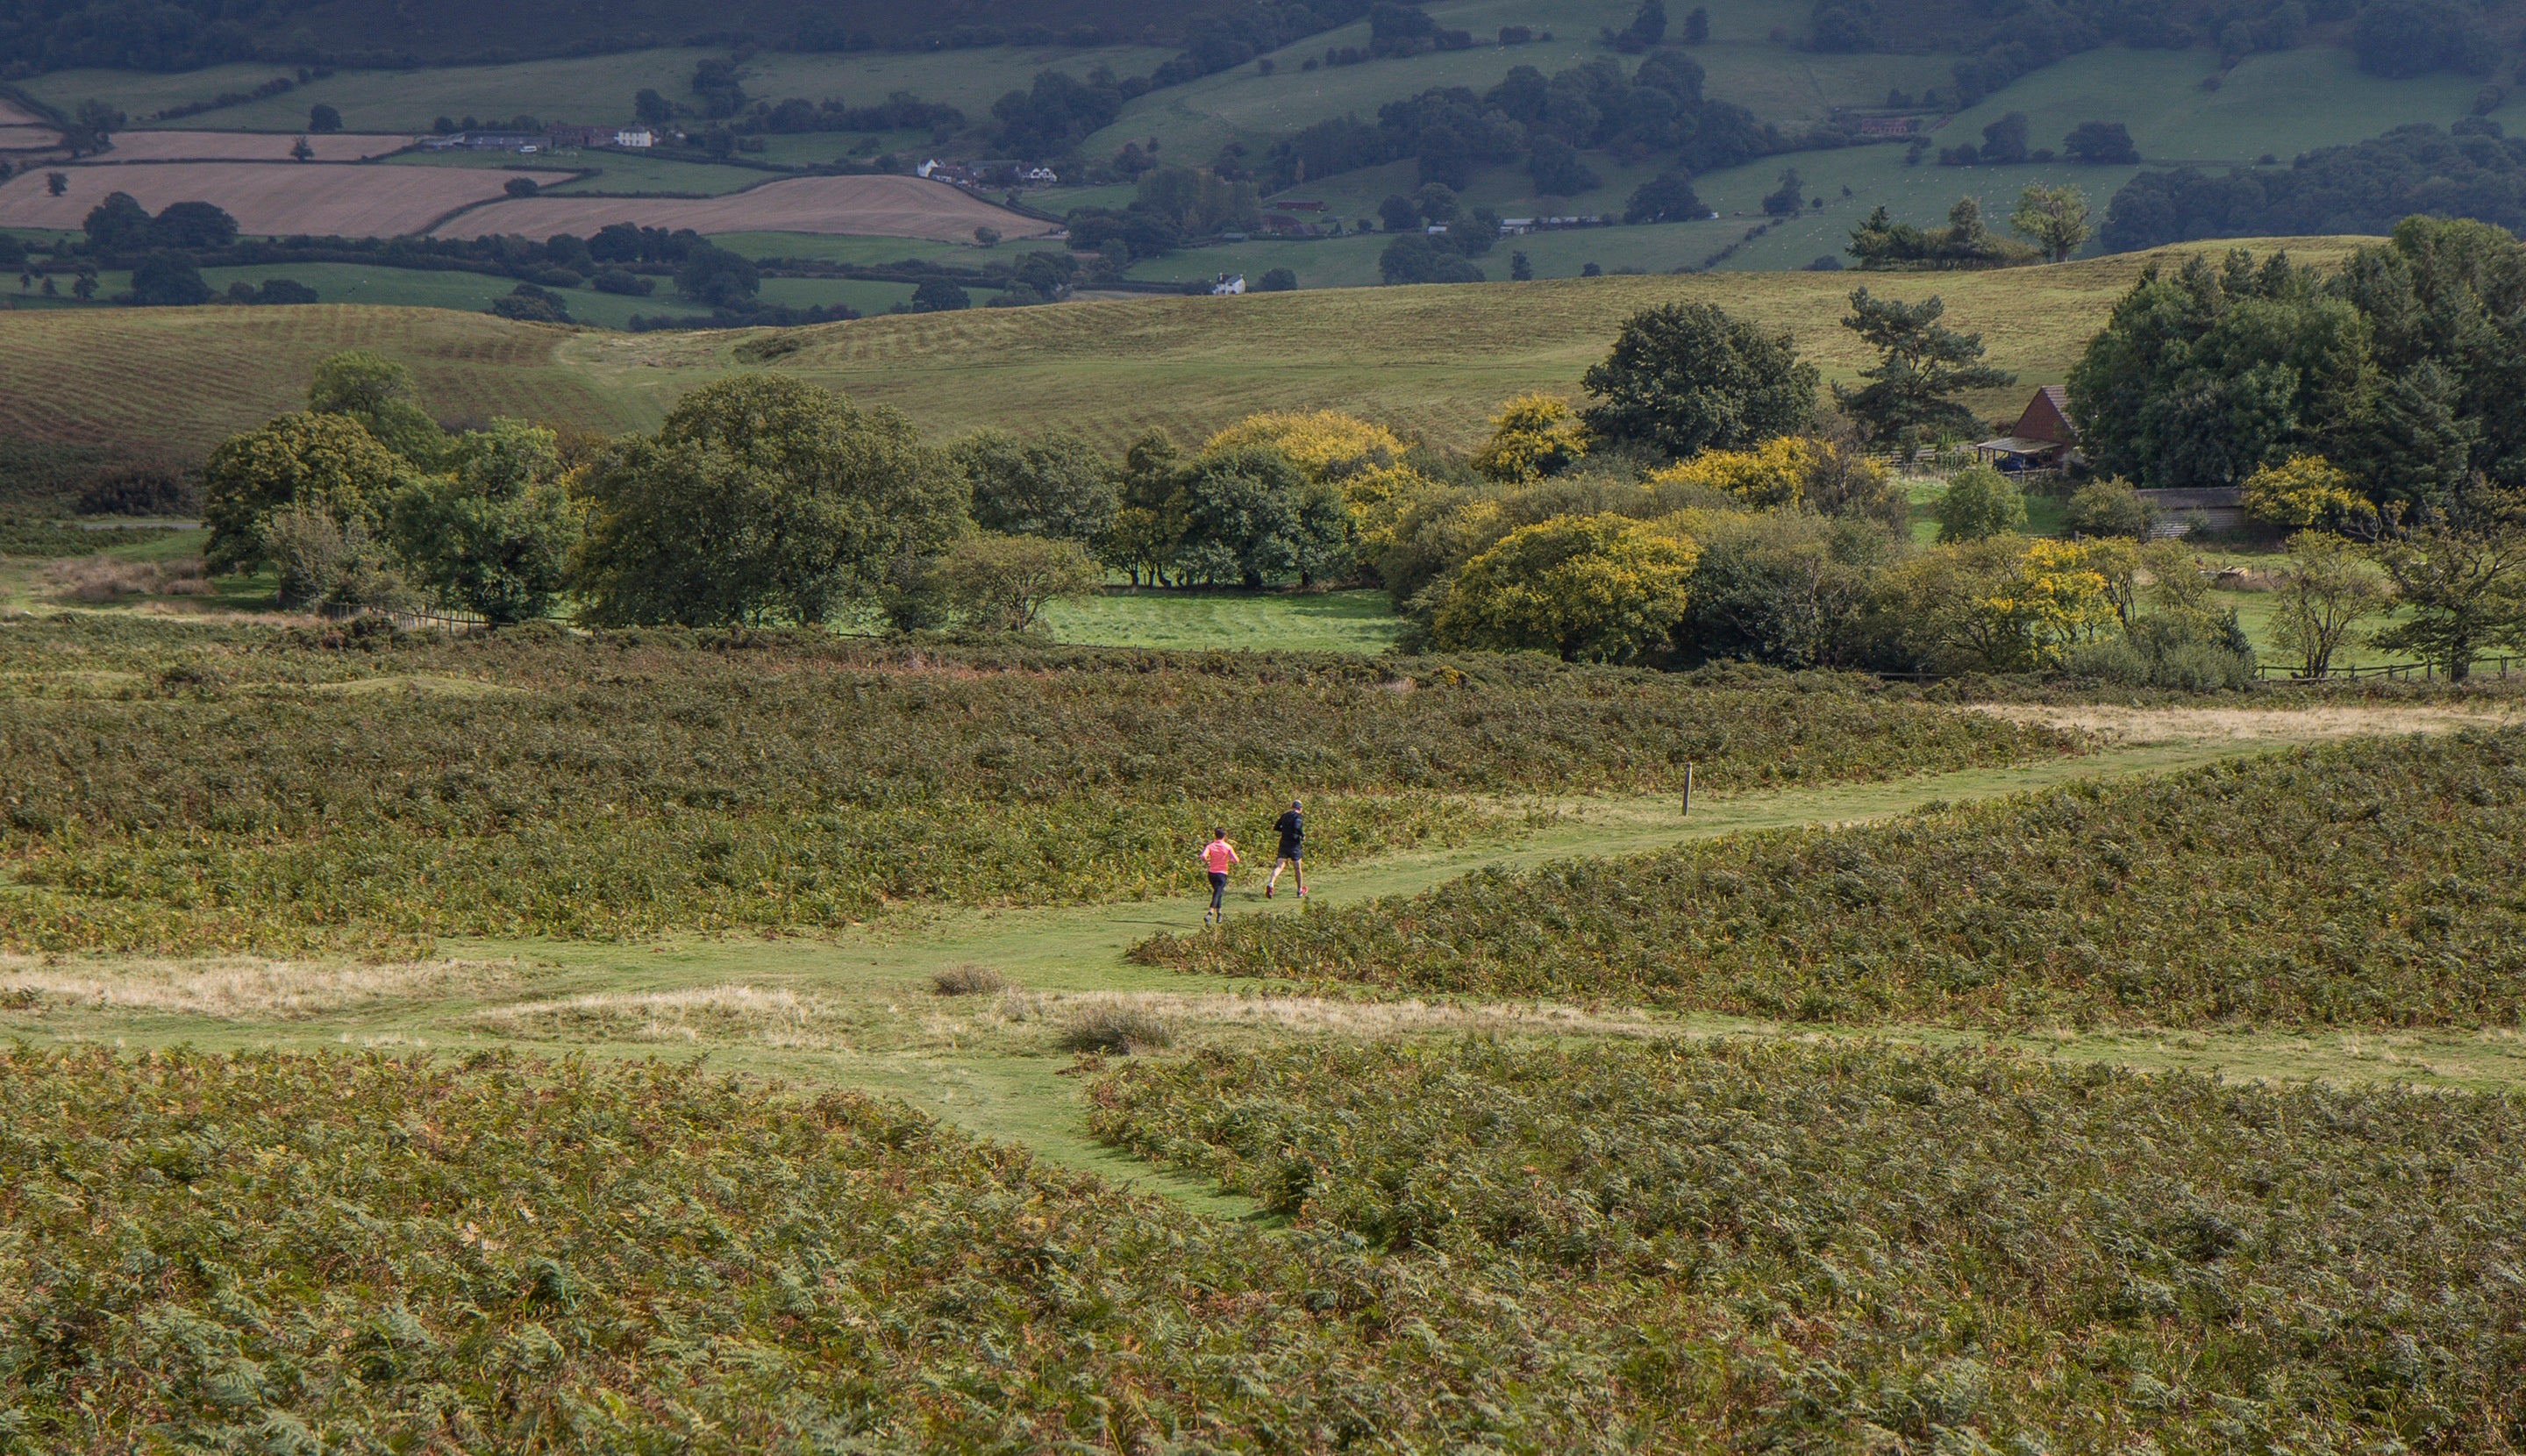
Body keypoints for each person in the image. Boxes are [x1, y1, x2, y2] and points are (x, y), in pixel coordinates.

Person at [1266, 797, 1305, 899]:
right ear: (1300, 808)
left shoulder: (1285, 816)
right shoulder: (1298, 816)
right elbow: (1297, 827)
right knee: (1297, 868)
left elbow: (1276, 827)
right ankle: (1300, 890)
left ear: (1292, 807)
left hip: (1283, 843)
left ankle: (1271, 884)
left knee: (1279, 866)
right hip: (1294, 845)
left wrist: (1285, 831)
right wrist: (1302, 835)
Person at [1201, 826, 1240, 925]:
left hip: (1211, 873)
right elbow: (1236, 860)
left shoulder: (1210, 846)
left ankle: (1219, 914)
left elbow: (1203, 856)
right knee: (1217, 893)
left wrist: (1207, 861)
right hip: (1222, 873)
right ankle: (1210, 913)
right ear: (1224, 836)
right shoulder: (1227, 846)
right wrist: (1231, 860)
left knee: (1218, 892)